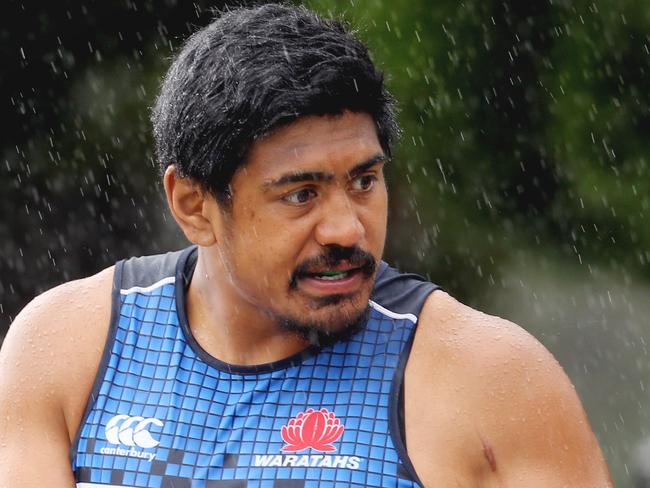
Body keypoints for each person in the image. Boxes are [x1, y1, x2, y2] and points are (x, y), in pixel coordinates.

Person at [0, 4, 612, 487]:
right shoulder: (68, 349)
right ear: (193, 204)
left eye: (364, 181)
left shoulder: (488, 379)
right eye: (301, 194)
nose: (346, 229)